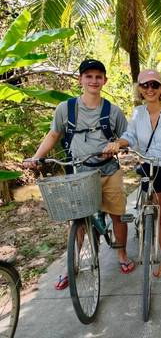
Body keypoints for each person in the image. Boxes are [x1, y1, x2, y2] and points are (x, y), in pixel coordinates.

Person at [24, 59, 134, 289]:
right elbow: (54, 135)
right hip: (79, 173)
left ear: (104, 80)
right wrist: (36, 157)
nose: (94, 81)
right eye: (89, 76)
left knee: (117, 215)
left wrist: (117, 143)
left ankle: (121, 254)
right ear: (80, 80)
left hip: (108, 171)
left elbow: (129, 137)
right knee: (79, 222)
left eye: (98, 76)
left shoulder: (112, 110)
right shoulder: (66, 108)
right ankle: (70, 266)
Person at [104, 69, 161, 282]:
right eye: (145, 85)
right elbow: (130, 135)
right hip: (150, 170)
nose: (149, 89)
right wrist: (118, 143)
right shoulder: (138, 113)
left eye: (154, 85)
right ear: (139, 89)